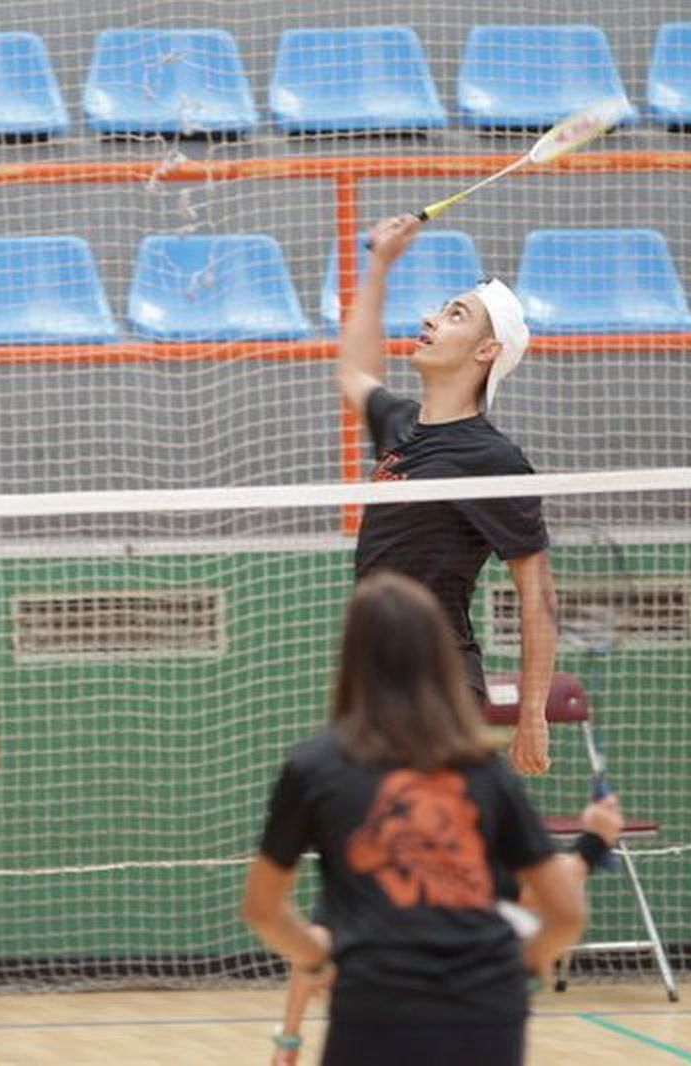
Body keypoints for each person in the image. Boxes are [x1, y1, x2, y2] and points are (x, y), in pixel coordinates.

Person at [241, 572, 615, 1066]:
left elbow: (263, 910)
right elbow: (565, 913)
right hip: (490, 1014)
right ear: (439, 659)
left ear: (351, 658)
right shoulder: (486, 770)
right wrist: (523, 963)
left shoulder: (313, 768)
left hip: (374, 1009)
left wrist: (316, 960)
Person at [336, 215, 558, 776]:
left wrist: (533, 711)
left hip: (437, 681)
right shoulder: (401, 427)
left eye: (454, 314)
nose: (430, 318)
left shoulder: (492, 458)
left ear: (487, 351)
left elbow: (535, 592)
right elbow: (355, 373)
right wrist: (380, 265)